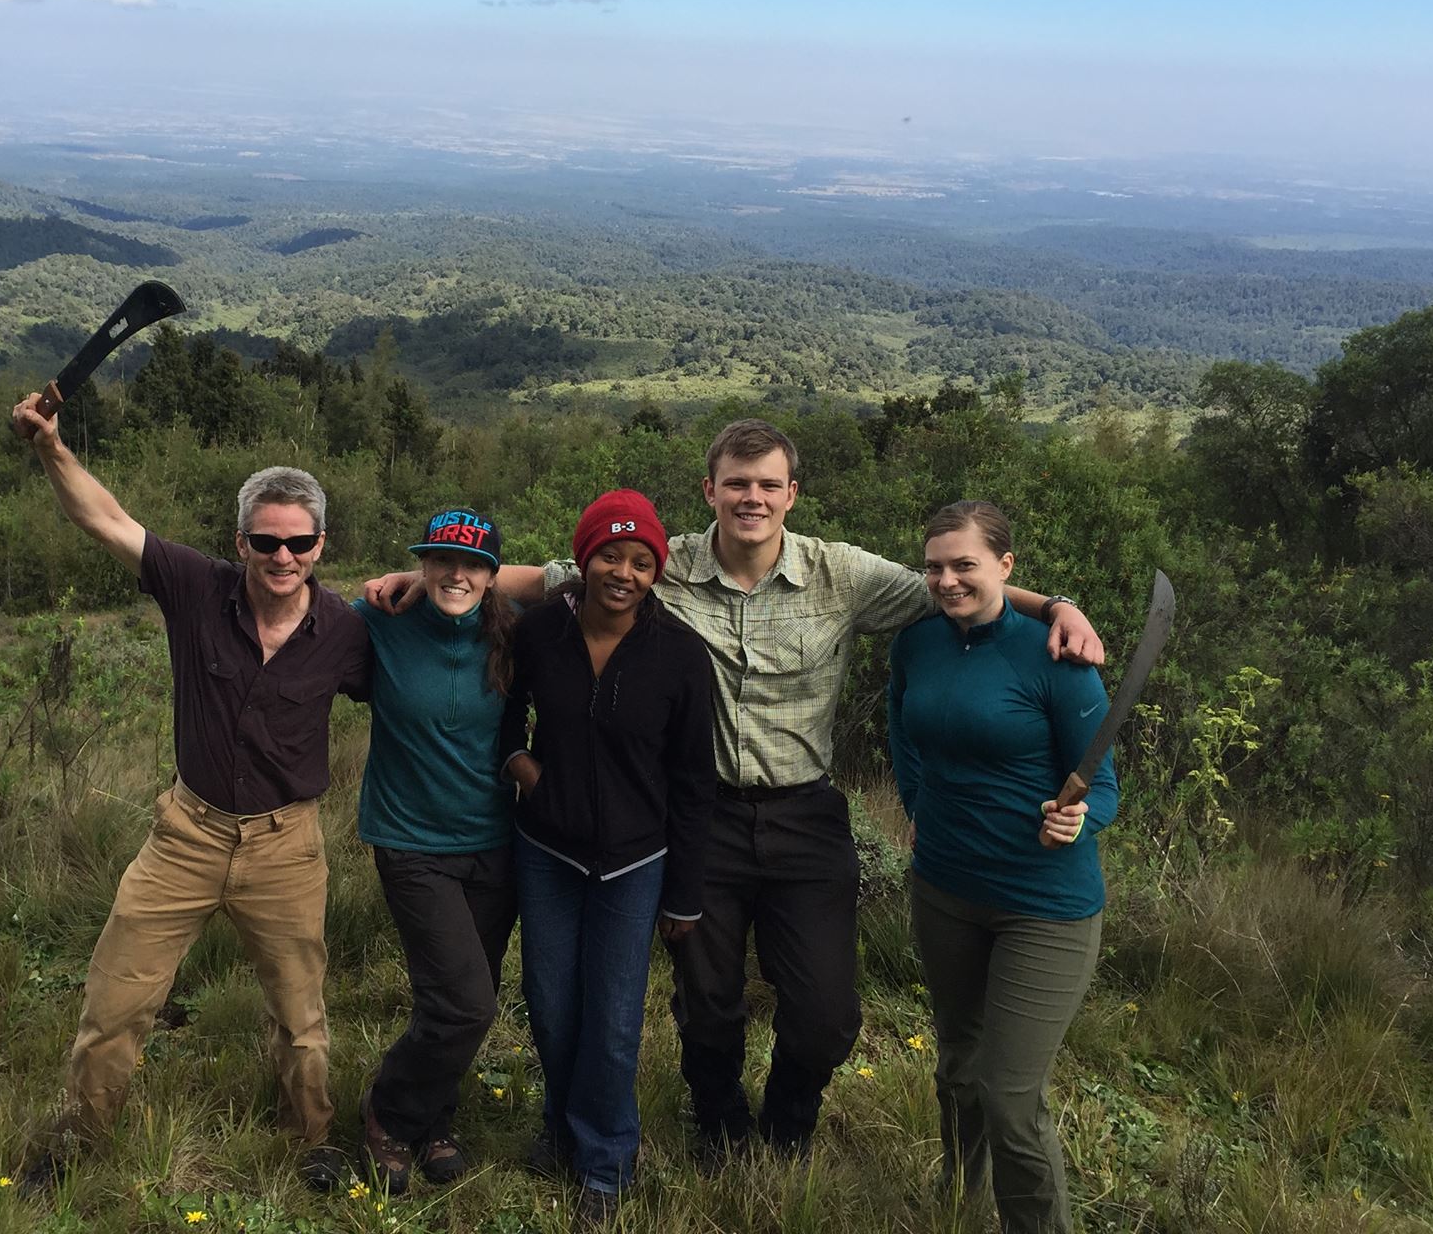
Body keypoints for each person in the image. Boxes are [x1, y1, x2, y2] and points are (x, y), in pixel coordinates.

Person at [366, 419, 1104, 1169]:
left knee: (825, 1015)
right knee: (708, 1002)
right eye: (737, 483)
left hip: (806, 814)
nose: (752, 497)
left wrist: (1057, 606)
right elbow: (551, 575)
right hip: (703, 815)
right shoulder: (662, 561)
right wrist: (429, 581)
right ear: (710, 490)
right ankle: (717, 1125)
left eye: (767, 484)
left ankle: (786, 1123)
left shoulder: (841, 574)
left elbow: (959, 583)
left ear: (792, 494)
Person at [11, 392, 369, 1191]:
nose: (284, 558)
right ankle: (80, 1138)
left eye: (300, 542)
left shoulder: (347, 631)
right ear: (241, 541)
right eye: (267, 542)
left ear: (320, 544)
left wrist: (423, 585)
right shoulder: (195, 588)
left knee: (300, 1017)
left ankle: (308, 1139)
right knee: (116, 997)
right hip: (187, 834)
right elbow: (103, 518)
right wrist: (51, 448)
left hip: (286, 844)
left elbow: (425, 677)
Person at [888, 499, 1115, 1234]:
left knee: (1009, 1094)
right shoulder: (917, 643)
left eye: (965, 565)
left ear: (1006, 567)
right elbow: (904, 731)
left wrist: (1077, 820)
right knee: (957, 1068)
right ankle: (961, 1205)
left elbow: (1103, 787)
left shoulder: (1056, 658)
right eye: (935, 567)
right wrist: (917, 805)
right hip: (945, 890)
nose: (947, 580)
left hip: (1042, 904)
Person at [499, 489, 716, 1227]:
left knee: (616, 1018)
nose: (623, 572)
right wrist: (525, 767)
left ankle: (608, 1161)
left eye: (641, 561)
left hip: (634, 861)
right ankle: (561, 1128)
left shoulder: (681, 656)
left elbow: (693, 784)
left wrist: (684, 893)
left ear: (656, 572)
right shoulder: (538, 633)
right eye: (610, 556)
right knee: (553, 1006)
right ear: (584, 557)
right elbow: (502, 713)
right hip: (547, 850)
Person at [352, 508, 521, 1196]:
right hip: (411, 842)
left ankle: (434, 1121)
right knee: (467, 1003)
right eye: (440, 559)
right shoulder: (381, 624)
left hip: (494, 844)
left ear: (492, 573)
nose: (457, 573)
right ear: (422, 564)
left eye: (473, 563)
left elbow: (579, 583)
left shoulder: (512, 630)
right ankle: (388, 1114)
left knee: (450, 997)